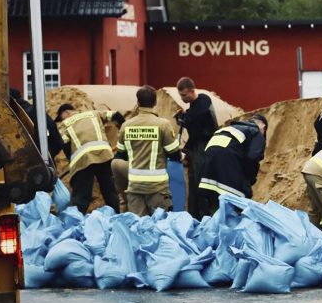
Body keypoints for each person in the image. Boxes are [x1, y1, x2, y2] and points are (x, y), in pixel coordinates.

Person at [114, 86, 182, 216]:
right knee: (159, 228)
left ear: (138, 103)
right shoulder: (163, 125)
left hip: (135, 187)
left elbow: (120, 154)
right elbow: (174, 154)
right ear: (155, 103)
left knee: (138, 229)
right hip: (157, 188)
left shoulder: (126, 126)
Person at [56, 103, 124, 213]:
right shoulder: (93, 114)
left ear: (66, 113)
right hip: (104, 155)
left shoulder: (64, 125)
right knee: (109, 190)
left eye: (60, 117)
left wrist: (72, 162)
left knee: (81, 195)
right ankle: (116, 216)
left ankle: (76, 220)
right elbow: (116, 115)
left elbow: (65, 145)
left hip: (83, 160)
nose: (60, 120)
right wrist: (122, 130)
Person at [197, 114, 268, 217]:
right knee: (234, 210)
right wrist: (248, 181)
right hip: (228, 179)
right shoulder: (256, 132)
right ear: (263, 127)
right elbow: (252, 158)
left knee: (215, 210)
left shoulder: (229, 129)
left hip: (207, 178)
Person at [176, 77, 219, 217]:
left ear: (192, 91)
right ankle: (194, 216)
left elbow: (196, 118)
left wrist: (185, 118)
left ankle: (205, 216)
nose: (182, 98)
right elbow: (193, 128)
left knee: (202, 185)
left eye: (184, 95)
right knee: (193, 185)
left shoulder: (204, 101)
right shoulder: (193, 108)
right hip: (196, 148)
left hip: (206, 147)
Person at [10, 87, 65, 160]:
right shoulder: (36, 110)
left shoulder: (12, 117)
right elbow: (56, 137)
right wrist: (49, 155)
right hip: (43, 162)